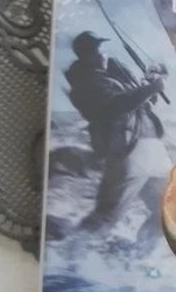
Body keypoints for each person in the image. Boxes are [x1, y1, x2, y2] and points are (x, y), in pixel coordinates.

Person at [64, 31, 168, 252]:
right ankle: (68, 255)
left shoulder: (110, 74)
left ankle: (137, 256)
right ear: (86, 56)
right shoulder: (85, 85)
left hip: (151, 148)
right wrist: (150, 88)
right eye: (96, 51)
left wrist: (150, 85)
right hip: (127, 153)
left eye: (101, 50)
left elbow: (141, 104)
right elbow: (115, 105)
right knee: (106, 216)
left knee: (168, 210)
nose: (103, 55)